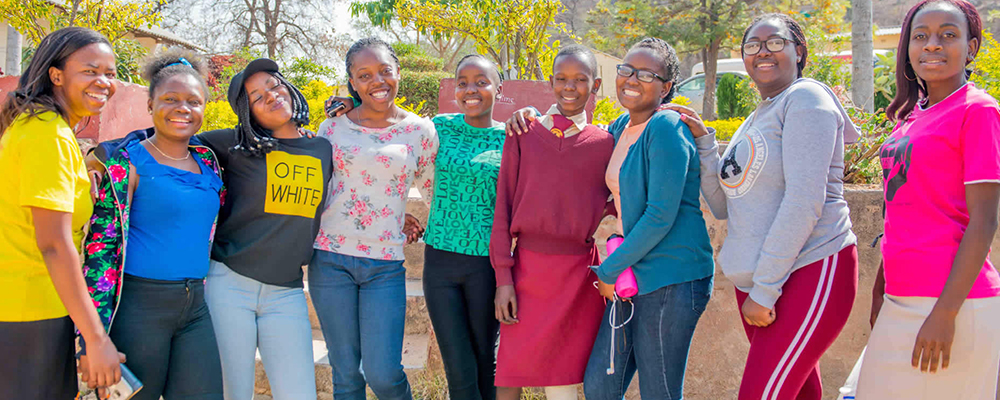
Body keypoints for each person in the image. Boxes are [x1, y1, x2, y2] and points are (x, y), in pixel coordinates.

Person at [668, 13, 860, 400]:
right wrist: (705, 143)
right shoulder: (758, 116)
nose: (762, 52)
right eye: (752, 45)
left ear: (799, 50)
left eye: (775, 42)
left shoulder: (806, 98)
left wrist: (766, 290)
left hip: (809, 269)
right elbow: (724, 206)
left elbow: (805, 201)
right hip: (760, 281)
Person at [857, 1, 1000, 398]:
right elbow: (903, 209)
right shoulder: (912, 117)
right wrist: (882, 287)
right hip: (901, 298)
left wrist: (946, 313)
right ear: (908, 48)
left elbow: (984, 220)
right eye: (921, 36)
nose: (932, 45)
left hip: (954, 304)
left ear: (971, 48)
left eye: (948, 35)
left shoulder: (979, 110)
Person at [80, 50, 225, 400]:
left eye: (194, 101)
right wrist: (91, 337)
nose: (183, 108)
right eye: (170, 99)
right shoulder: (126, 164)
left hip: (195, 307)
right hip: (140, 306)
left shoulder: (209, 162)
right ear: (150, 105)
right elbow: (101, 251)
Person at [578, 37, 714, 400]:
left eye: (646, 74)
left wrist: (607, 270)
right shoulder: (621, 125)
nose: (631, 79)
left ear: (667, 87)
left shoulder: (666, 127)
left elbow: (659, 215)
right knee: (600, 387)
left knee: (660, 392)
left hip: (671, 278)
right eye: (625, 70)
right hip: (631, 272)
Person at [310, 37, 437, 400]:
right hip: (330, 258)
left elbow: (433, 192)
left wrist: (411, 217)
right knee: (346, 374)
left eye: (384, 71)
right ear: (352, 82)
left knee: (383, 374)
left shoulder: (419, 131)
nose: (376, 81)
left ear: (398, 73)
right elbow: (323, 188)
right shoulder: (331, 128)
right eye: (364, 75)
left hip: (384, 264)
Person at [0, 27, 124, 399]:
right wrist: (96, 337)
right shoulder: (47, 135)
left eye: (110, 73)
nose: (103, 81)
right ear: (56, 75)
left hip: (27, 307)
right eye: (90, 70)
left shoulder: (41, 128)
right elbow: (53, 243)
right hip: (29, 311)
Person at [199, 58, 333, 400]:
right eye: (257, 97)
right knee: (233, 394)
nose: (271, 96)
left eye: (273, 85)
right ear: (249, 114)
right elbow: (168, 136)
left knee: (299, 394)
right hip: (230, 286)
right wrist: (103, 153)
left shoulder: (323, 148)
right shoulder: (236, 146)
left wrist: (353, 102)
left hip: (286, 293)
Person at [490, 44, 612, 400]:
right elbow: (503, 209)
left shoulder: (605, 142)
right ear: (550, 81)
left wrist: (601, 211)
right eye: (561, 78)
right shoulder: (523, 133)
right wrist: (503, 279)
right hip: (526, 272)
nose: (569, 86)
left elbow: (620, 196)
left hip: (577, 276)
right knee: (509, 372)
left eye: (580, 79)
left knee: (563, 379)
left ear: (596, 84)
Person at [420, 55, 505, 400]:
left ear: (499, 88)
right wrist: (349, 101)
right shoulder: (439, 126)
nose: (471, 90)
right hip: (439, 261)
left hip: (486, 265)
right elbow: (388, 127)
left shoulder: (512, 138)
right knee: (459, 367)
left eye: (481, 82)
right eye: (463, 82)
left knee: (486, 360)